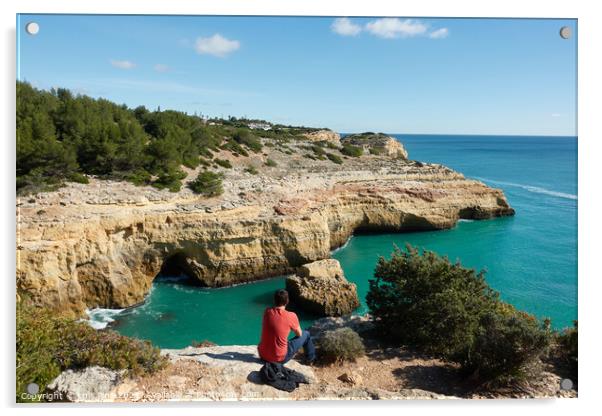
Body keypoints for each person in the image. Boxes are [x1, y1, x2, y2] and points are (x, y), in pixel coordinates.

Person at [258, 289, 316, 364]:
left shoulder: (267, 311)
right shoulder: (291, 316)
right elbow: (299, 334)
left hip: (263, 355)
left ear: (275, 300)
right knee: (306, 334)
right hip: (279, 358)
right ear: (287, 301)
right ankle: (311, 359)